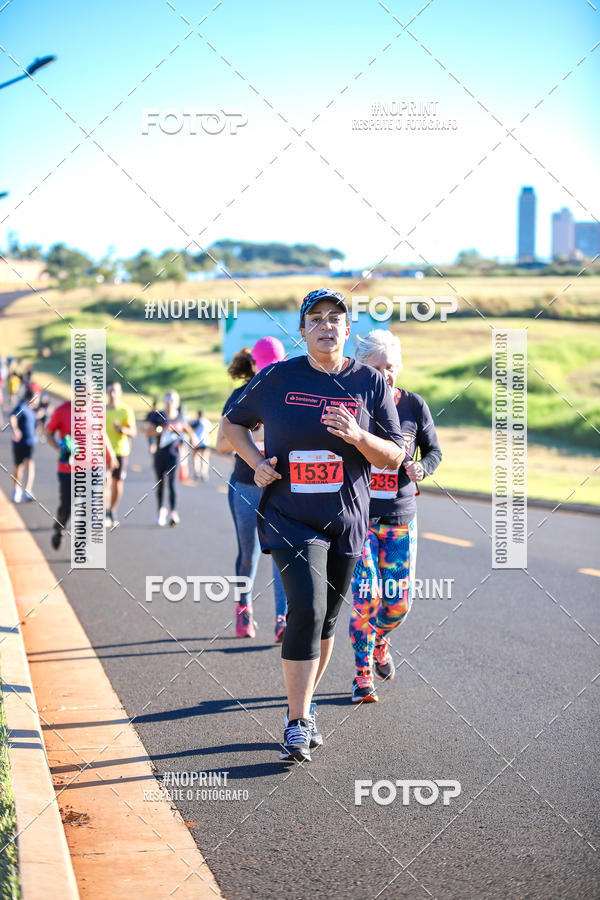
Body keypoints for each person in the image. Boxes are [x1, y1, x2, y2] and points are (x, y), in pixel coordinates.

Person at [222, 289, 406, 762]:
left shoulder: (369, 382)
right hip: (289, 515)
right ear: (302, 330)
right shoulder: (278, 377)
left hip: (346, 518)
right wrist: (256, 461)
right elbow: (231, 425)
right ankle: (297, 720)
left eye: (335, 319)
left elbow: (394, 455)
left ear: (348, 330)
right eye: (316, 319)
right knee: (304, 608)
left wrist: (359, 435)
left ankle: (305, 709)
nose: (327, 326)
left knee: (325, 618)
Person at [349, 330, 442, 702]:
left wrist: (422, 467)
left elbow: (434, 451)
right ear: (360, 367)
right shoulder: (351, 404)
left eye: (391, 367)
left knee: (398, 605)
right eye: (377, 367)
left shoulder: (414, 405)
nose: (386, 375)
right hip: (358, 519)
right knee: (366, 596)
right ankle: (361, 677)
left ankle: (380, 641)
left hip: (400, 519)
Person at [216, 339, 288, 642]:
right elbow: (220, 444)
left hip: (283, 488)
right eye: (265, 367)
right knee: (249, 553)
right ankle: (244, 608)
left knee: (283, 553)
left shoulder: (291, 395)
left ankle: (283, 619)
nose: (271, 373)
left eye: (277, 367)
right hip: (246, 485)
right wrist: (254, 443)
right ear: (254, 366)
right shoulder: (239, 396)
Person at [47, 398, 116, 550]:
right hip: (69, 468)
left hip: (93, 466)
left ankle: (82, 545)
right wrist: (59, 449)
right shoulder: (63, 410)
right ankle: (59, 529)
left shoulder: (96, 410)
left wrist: (110, 454)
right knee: (67, 508)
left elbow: (101, 433)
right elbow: (49, 432)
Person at [145, 390, 195, 526]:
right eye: (167, 399)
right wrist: (161, 430)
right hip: (160, 454)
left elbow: (189, 430)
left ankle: (173, 512)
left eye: (172, 400)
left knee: (172, 483)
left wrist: (194, 439)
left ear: (177, 402)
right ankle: (161, 510)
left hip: (174, 455)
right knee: (160, 483)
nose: (169, 402)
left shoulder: (180, 418)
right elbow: (148, 432)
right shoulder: (158, 416)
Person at [105, 382, 137, 527]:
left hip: (121, 451)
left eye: (115, 391)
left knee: (117, 484)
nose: (112, 394)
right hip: (103, 452)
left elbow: (133, 432)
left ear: (120, 393)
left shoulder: (126, 410)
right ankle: (105, 512)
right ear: (106, 392)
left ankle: (112, 510)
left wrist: (122, 430)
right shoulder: (101, 410)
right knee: (105, 481)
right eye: (110, 391)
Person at [9, 384, 41, 502]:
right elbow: (13, 417)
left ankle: (27, 491)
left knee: (30, 465)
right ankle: (17, 490)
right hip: (20, 443)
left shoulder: (33, 410)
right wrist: (16, 430)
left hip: (30, 443)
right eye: (37, 397)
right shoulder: (22, 407)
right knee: (19, 467)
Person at [189, 409, 212, 482]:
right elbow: (210, 431)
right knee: (205, 458)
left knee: (196, 457)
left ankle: (197, 471)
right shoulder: (207, 422)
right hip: (206, 442)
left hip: (197, 442)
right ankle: (204, 472)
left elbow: (189, 427)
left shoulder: (196, 421)